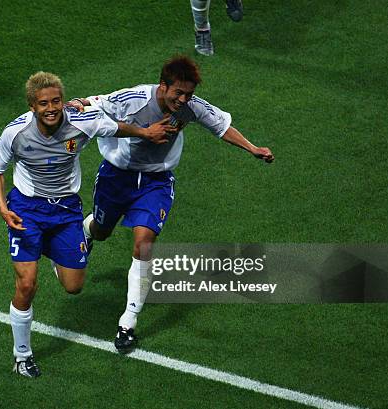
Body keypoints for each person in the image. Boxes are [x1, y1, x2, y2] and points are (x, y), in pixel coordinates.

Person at [69, 55, 274, 353]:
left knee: (144, 243)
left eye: (188, 94)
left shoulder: (192, 107)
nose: (183, 99)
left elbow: (221, 127)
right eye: (178, 92)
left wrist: (253, 148)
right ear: (163, 85)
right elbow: (96, 102)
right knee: (102, 229)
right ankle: (88, 232)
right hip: (117, 177)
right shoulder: (135, 99)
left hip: (156, 182)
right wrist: (77, 102)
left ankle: (128, 322)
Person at [0, 72, 174, 378]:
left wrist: (146, 132)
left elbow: (116, 127)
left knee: (74, 287)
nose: (51, 108)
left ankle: (53, 252)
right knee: (26, 284)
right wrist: (3, 209)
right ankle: (22, 356)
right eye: (43, 103)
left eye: (56, 101)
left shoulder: (81, 122)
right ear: (32, 106)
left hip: (67, 211)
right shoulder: (16, 133)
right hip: (26, 210)